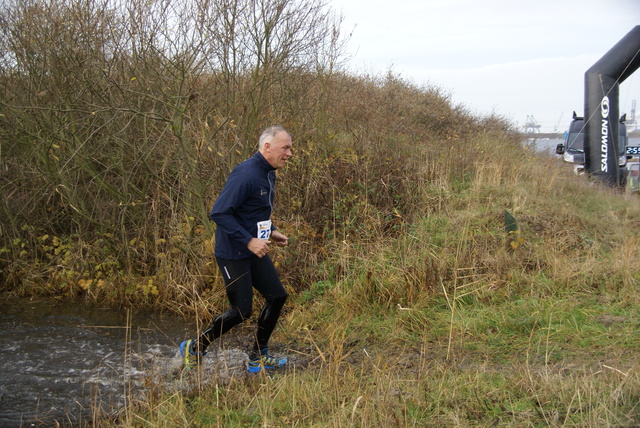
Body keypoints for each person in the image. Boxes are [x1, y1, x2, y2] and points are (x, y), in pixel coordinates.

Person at [179, 126, 293, 373]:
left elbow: (254, 209)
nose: (290, 153)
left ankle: (257, 356)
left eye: (290, 148)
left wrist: (271, 231)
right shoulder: (246, 174)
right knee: (241, 310)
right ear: (267, 147)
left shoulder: (269, 173)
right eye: (285, 147)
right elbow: (219, 212)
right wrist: (248, 240)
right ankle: (195, 347)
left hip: (254, 250)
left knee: (277, 296)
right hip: (233, 252)